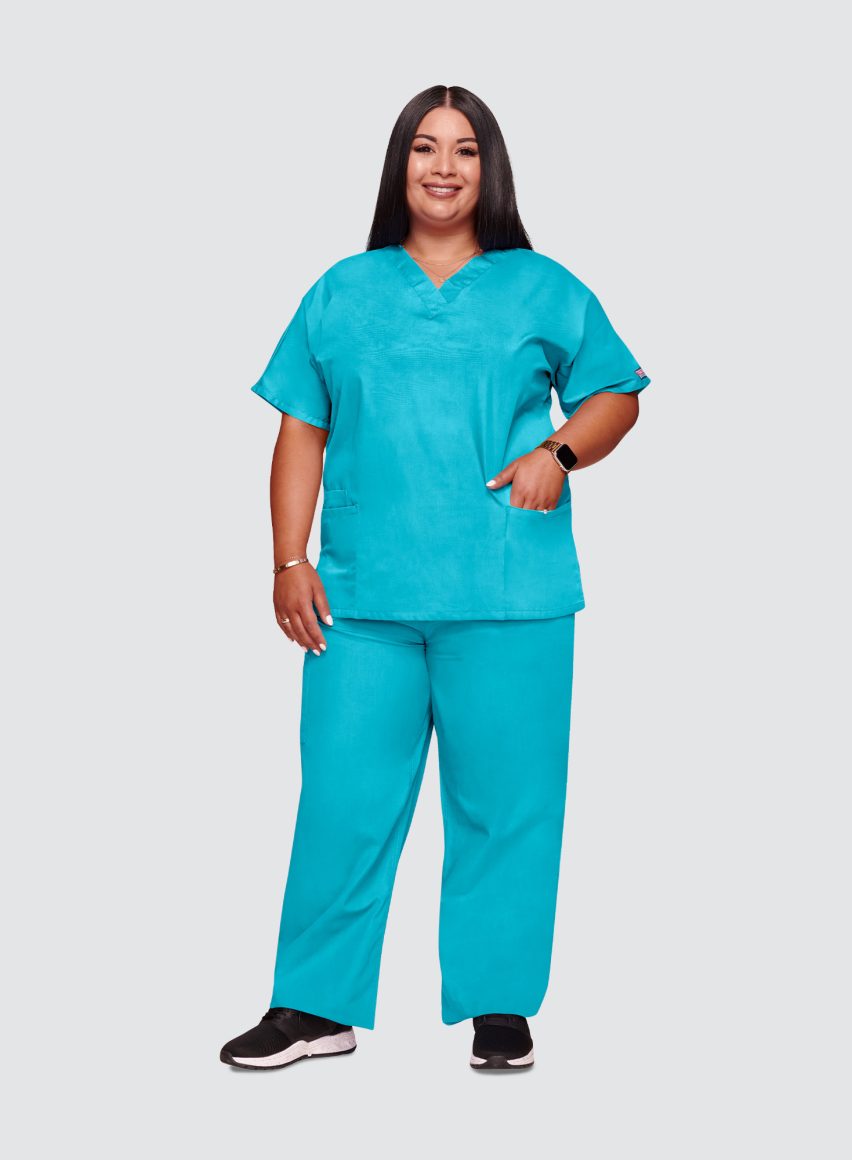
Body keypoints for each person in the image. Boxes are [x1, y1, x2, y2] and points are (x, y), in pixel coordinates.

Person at [220, 84, 653, 1073]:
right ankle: (313, 1006)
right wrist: (288, 558)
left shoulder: (541, 286)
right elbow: (300, 428)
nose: (444, 167)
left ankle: (498, 1004)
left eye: (465, 149)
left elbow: (616, 394)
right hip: (361, 599)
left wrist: (559, 453)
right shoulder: (343, 290)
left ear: (490, 168)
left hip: (509, 592)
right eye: (425, 147)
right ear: (400, 165)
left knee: (508, 804)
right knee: (341, 800)